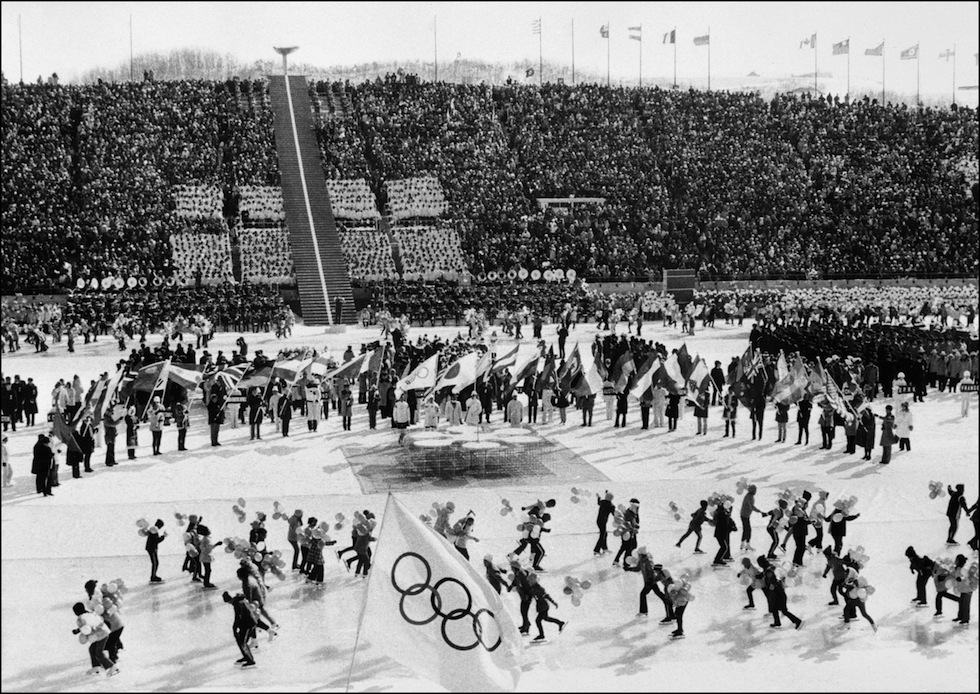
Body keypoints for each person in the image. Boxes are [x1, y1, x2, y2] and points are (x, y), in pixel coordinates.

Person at [71, 601, 117, 676]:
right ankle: (96, 667)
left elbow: (85, 628)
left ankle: (112, 667)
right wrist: (78, 630)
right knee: (92, 649)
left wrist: (77, 631)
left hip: (100, 635)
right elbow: (89, 625)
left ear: (76, 612)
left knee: (99, 653)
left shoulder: (81, 618)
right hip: (103, 631)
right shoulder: (89, 614)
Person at [758, 556, 803, 629]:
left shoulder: (769, 571)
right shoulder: (770, 568)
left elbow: (773, 580)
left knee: (784, 611)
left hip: (779, 594)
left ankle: (797, 621)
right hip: (778, 593)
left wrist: (771, 586)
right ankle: (777, 622)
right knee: (775, 609)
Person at [222, 589, 262, 668]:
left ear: (230, 599)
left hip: (248, 624)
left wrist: (234, 627)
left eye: (228, 602)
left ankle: (250, 660)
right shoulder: (240, 600)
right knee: (242, 641)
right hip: (248, 623)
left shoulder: (237, 604)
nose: (229, 604)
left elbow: (238, 617)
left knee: (242, 642)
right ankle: (247, 657)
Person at [527, 573, 565, 642]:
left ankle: (541, 635)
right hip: (541, 606)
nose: (529, 582)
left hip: (543, 606)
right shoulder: (533, 587)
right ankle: (560, 623)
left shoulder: (539, 588)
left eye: (530, 581)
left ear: (533, 581)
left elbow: (546, 595)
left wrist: (553, 602)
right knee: (546, 618)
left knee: (538, 621)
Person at [739, 485, 763, 553]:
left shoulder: (748, 495)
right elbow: (751, 507)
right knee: (748, 530)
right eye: (755, 490)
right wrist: (759, 511)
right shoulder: (750, 496)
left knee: (745, 529)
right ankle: (747, 544)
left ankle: (743, 544)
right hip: (745, 515)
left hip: (744, 514)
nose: (756, 491)